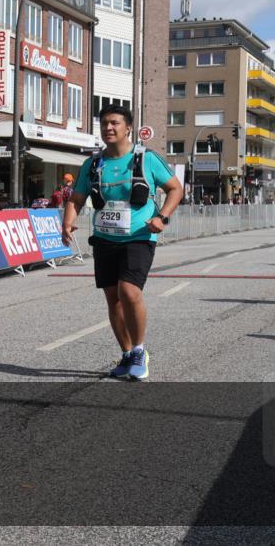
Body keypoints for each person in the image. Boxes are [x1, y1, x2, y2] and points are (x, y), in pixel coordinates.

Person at [61, 105, 182, 381]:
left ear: (128, 127)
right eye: (104, 123)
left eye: (115, 123)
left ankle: (140, 351)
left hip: (139, 236)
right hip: (105, 239)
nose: (108, 128)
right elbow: (76, 199)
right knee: (113, 299)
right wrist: (67, 223)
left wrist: (162, 217)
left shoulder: (146, 158)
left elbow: (175, 188)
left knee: (129, 292)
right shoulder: (92, 164)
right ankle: (127, 354)